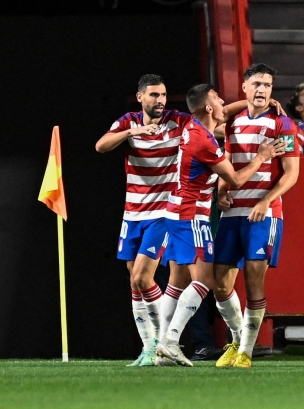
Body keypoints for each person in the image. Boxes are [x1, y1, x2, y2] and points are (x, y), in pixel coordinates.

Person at [154, 83, 285, 367]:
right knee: (206, 280)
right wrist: (261, 157)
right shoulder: (203, 139)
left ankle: (161, 345)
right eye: (217, 98)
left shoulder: (192, 126)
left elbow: (223, 110)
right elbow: (237, 180)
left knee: (177, 283)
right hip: (192, 215)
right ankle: (171, 341)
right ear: (209, 107)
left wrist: (260, 101)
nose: (224, 102)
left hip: (174, 211)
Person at [96, 74, 192, 366]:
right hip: (133, 213)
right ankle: (149, 347)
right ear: (140, 97)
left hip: (163, 213)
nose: (160, 100)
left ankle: (166, 341)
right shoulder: (128, 121)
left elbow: (211, 116)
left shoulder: (179, 121)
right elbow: (101, 146)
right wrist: (131, 134)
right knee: (134, 281)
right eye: (153, 95)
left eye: (162, 95)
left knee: (142, 276)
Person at [213, 63, 300, 369]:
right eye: (257, 84)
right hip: (232, 213)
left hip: (264, 214)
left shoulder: (283, 125)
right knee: (220, 284)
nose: (263, 90)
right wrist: (221, 190)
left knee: (253, 278)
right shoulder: (232, 123)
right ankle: (238, 340)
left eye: (268, 86)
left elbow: (291, 174)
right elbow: (227, 163)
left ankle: (247, 351)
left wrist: (266, 200)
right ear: (245, 88)